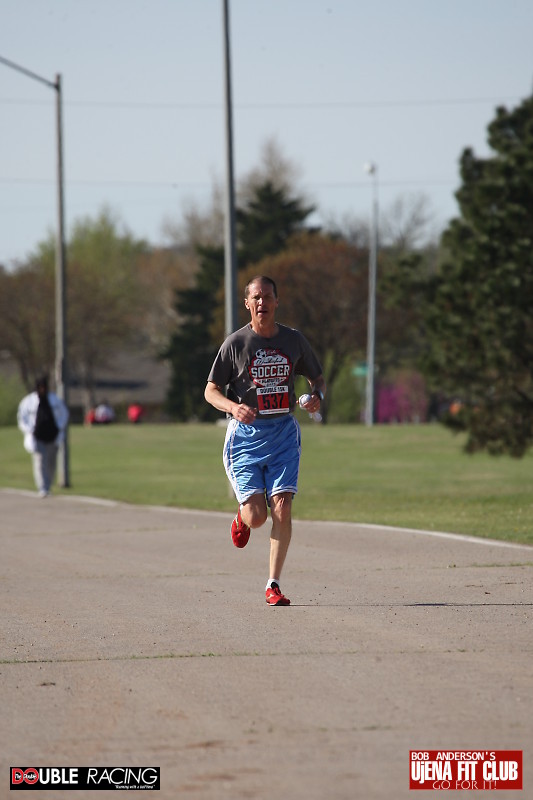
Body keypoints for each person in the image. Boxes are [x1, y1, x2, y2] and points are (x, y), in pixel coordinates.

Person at [204, 275, 326, 606]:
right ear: (247, 303)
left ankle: (273, 584)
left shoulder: (293, 340)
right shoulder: (236, 344)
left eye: (268, 297)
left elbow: (317, 378)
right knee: (257, 517)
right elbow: (210, 390)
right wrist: (233, 407)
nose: (262, 302)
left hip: (283, 432)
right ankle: (241, 516)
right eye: (256, 297)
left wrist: (317, 397)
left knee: (283, 507)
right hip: (246, 437)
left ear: (276, 302)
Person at [17, 375, 69, 497]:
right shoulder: (29, 401)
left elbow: (64, 414)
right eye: (40, 387)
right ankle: (43, 487)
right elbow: (22, 417)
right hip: (37, 436)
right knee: (40, 462)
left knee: (51, 462)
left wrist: (59, 427)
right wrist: (29, 430)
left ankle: (48, 484)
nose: (42, 389)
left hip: (52, 436)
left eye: (44, 387)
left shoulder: (55, 400)